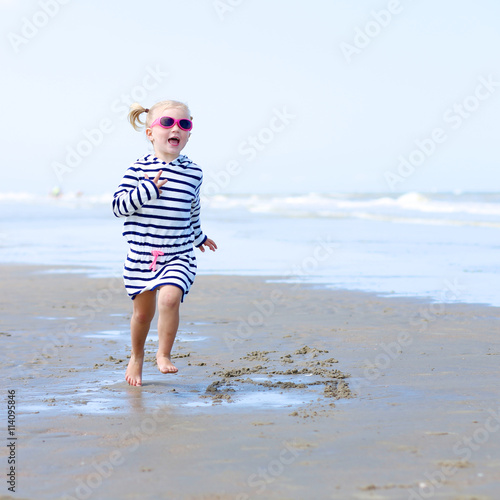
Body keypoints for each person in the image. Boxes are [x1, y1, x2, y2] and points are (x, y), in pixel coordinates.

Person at [112, 99, 217, 387]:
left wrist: (199, 237)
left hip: (178, 253)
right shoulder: (138, 169)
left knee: (170, 299)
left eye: (184, 124)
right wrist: (146, 190)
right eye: (168, 123)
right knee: (143, 314)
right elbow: (119, 207)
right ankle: (136, 356)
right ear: (150, 133)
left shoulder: (194, 172)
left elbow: (191, 211)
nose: (177, 129)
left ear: (189, 134)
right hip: (142, 255)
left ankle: (164, 354)